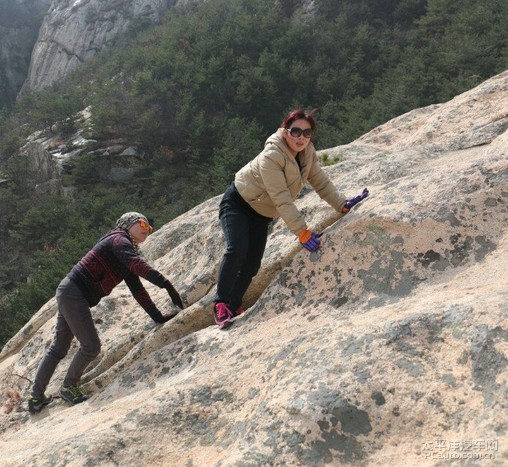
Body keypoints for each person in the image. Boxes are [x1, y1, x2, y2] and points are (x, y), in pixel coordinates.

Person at [213, 109, 368, 328]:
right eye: (296, 131)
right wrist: (302, 232)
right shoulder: (271, 156)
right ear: (285, 131)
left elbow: (320, 182)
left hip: (261, 213)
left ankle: (234, 304)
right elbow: (281, 199)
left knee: (252, 264)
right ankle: (220, 304)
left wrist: (341, 205)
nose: (301, 137)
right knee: (237, 249)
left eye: (307, 133)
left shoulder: (307, 153)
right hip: (239, 203)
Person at [28, 212, 184, 412]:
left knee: (59, 348)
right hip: (75, 293)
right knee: (91, 347)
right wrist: (164, 283)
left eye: (149, 229)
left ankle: (36, 398)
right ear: (128, 223)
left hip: (69, 291)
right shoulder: (119, 240)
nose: (146, 230)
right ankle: (68, 386)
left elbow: (138, 290)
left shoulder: (123, 252)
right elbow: (138, 265)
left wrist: (157, 316)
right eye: (142, 224)